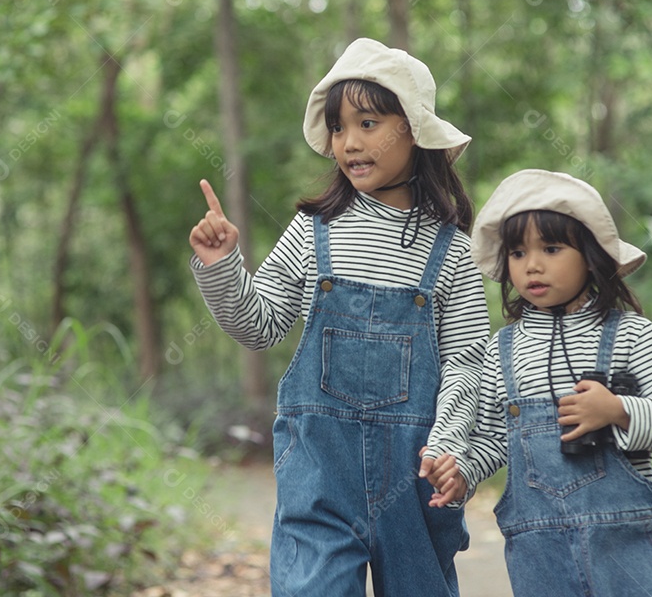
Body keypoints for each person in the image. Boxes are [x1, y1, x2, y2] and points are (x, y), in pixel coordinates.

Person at [189, 37, 490, 596]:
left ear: (414, 129)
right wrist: (221, 266)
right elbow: (259, 324)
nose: (348, 141)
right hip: (320, 478)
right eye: (338, 127)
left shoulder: (451, 250)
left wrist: (449, 443)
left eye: (369, 122)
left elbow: (469, 362)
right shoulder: (313, 232)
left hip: (416, 478)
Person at [422, 168, 652, 596]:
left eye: (551, 248)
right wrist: (463, 473)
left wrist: (618, 410)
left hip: (624, 545)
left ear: (590, 253)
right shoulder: (503, 349)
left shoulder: (630, 334)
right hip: (539, 551)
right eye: (517, 253)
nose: (532, 265)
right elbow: (496, 438)